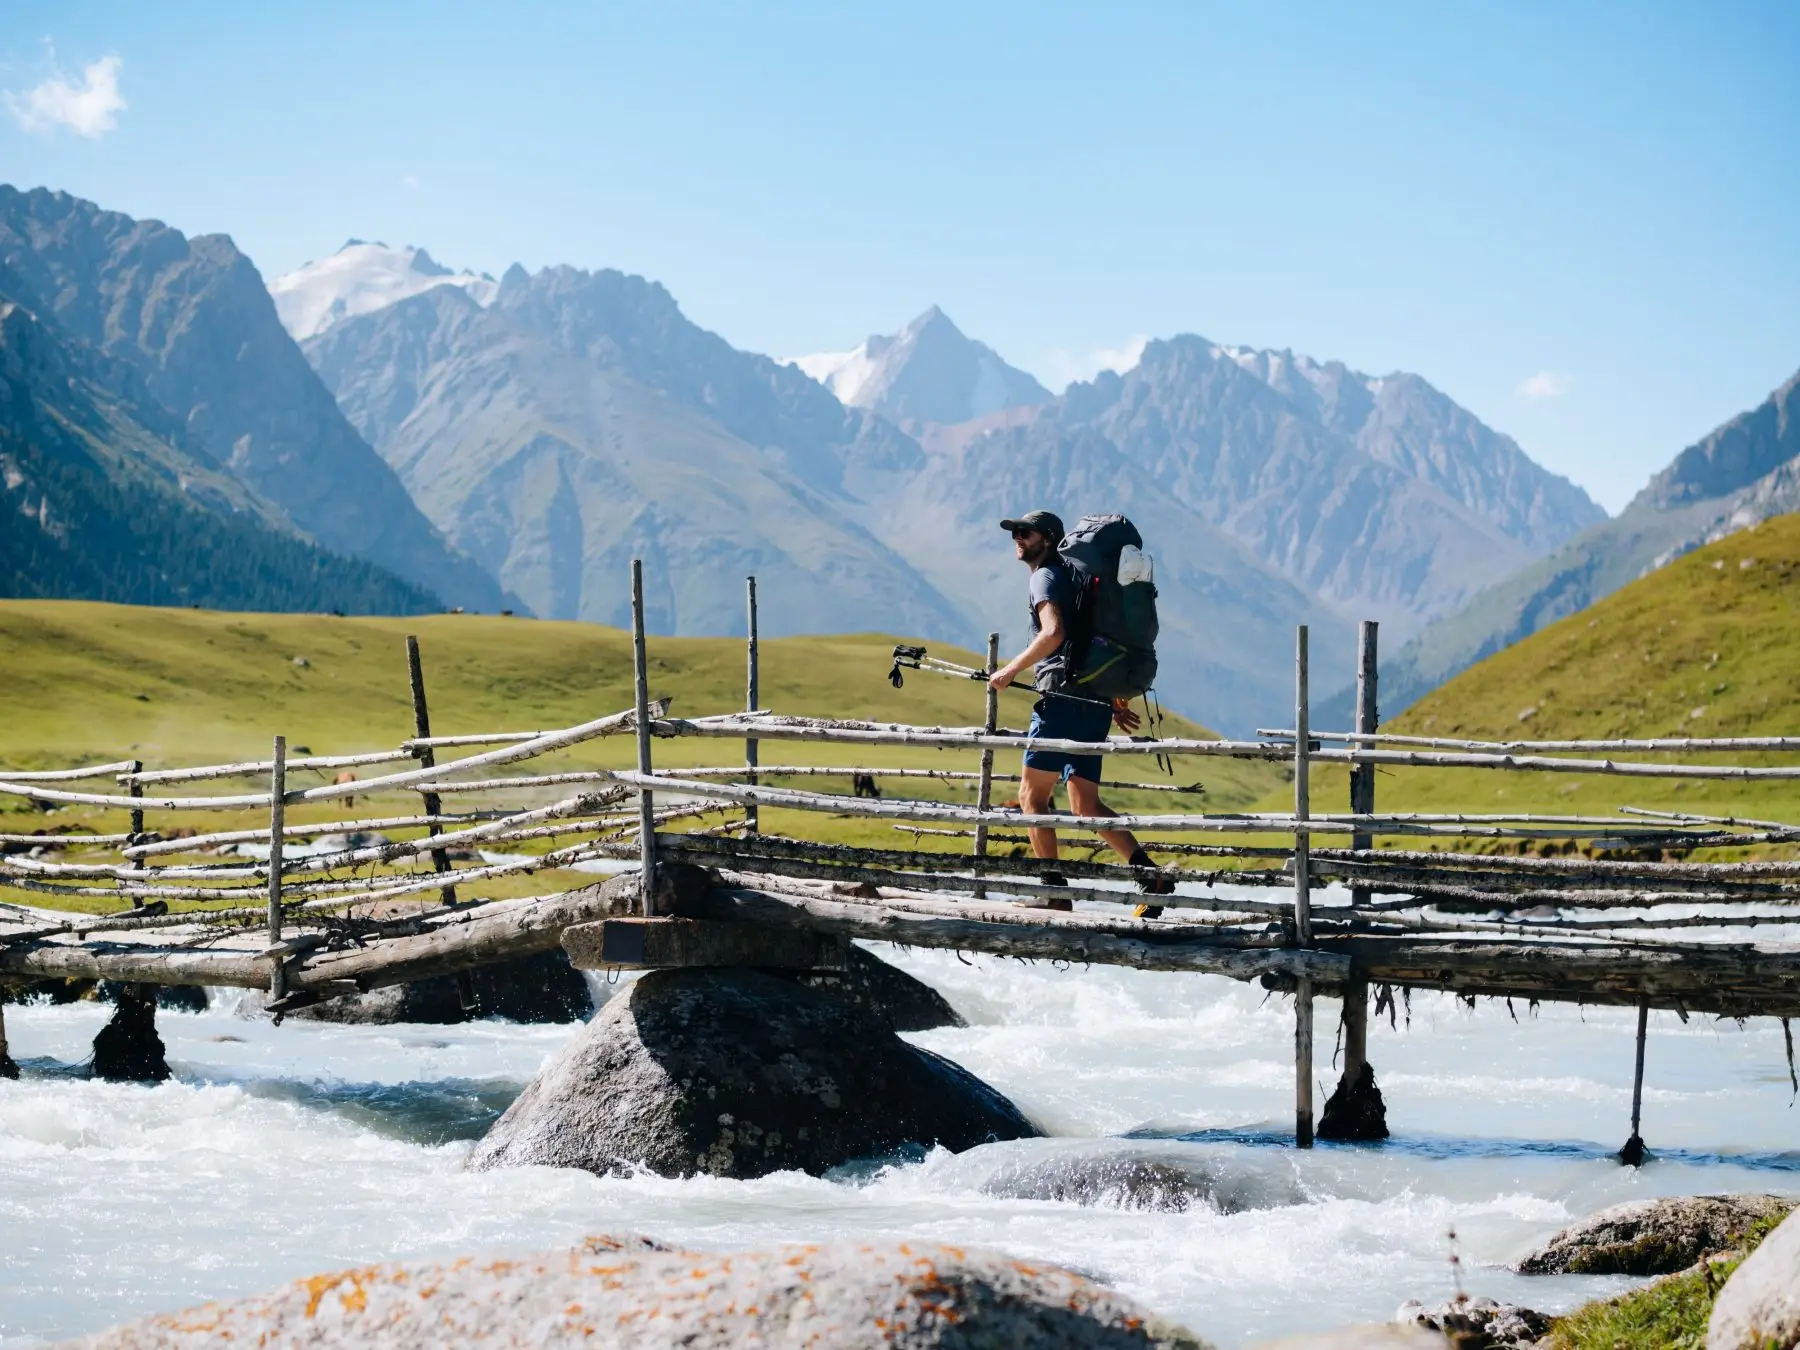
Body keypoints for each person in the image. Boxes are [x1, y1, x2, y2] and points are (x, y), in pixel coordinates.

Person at [987, 510, 1175, 915]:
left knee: (1031, 798)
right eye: (1015, 533)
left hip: (1061, 702)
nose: (1017, 538)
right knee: (1085, 804)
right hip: (1093, 704)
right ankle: (1150, 876)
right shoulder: (1078, 578)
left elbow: (1054, 633)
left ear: (1049, 539)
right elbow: (1094, 638)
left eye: (1026, 533)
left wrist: (1010, 670)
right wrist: (1114, 699)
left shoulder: (1046, 576)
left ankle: (1054, 891)